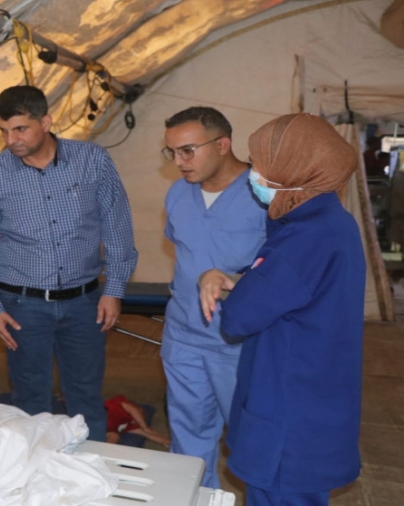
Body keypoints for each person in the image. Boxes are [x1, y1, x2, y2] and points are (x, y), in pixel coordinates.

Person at [199, 113, 364, 506]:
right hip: (315, 393)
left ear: (295, 167)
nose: (253, 174)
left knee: (280, 495)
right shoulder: (331, 222)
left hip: (290, 407)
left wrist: (233, 285)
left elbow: (241, 316)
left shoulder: (304, 237)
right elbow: (288, 288)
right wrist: (241, 278)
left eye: (260, 164)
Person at [0, 85, 138, 442]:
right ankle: (34, 470)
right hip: (21, 306)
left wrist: (114, 289)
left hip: (85, 303)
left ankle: (88, 470)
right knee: (30, 398)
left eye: (20, 129)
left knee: (86, 394)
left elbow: (117, 226)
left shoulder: (92, 160)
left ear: (45, 122)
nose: (11, 140)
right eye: (3, 131)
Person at [160, 107, 267, 488]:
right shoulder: (178, 194)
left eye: (187, 151)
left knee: (251, 439)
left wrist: (236, 279)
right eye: (171, 152)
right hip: (183, 337)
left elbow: (282, 270)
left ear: (223, 144)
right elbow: (188, 251)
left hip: (237, 343)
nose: (179, 162)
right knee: (188, 439)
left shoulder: (263, 195)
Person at [104, 395, 171, 448]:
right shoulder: (120, 403)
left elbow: (147, 434)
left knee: (115, 436)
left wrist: (164, 440)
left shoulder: (126, 425)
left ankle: (105, 451)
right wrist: (145, 427)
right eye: (141, 415)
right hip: (100, 417)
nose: (139, 421)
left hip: (103, 432)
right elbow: (134, 410)